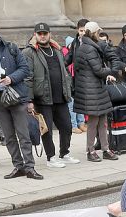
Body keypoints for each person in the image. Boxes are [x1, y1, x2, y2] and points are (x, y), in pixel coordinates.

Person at [0, 18, 43, 180]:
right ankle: (18, 166)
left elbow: (24, 69)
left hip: (16, 96)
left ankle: (29, 167)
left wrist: (11, 79)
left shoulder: (10, 47)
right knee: (9, 136)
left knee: (23, 134)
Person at [23, 22, 79, 168]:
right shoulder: (30, 52)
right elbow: (28, 77)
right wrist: (29, 100)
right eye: (39, 34)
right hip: (42, 98)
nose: (42, 36)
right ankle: (51, 157)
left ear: (49, 34)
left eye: (45, 33)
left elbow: (65, 71)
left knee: (67, 126)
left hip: (60, 96)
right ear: (35, 35)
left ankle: (64, 153)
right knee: (46, 129)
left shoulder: (57, 50)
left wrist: (69, 87)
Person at [73, 21, 124, 163]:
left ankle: (106, 149)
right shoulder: (89, 48)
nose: (99, 35)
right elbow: (98, 70)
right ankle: (90, 150)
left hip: (95, 88)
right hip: (92, 89)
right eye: (98, 32)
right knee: (94, 121)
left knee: (102, 121)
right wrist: (110, 72)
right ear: (94, 33)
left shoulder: (86, 45)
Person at [65, 19, 89, 134]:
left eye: (85, 30)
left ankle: (82, 123)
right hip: (77, 79)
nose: (83, 33)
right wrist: (61, 65)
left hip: (90, 79)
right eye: (81, 30)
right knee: (77, 103)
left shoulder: (92, 42)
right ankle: (78, 124)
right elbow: (69, 57)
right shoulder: (75, 43)